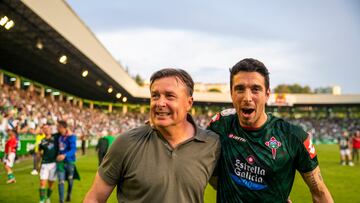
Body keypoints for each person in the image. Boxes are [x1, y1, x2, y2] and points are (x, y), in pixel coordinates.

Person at [84, 68, 220, 203]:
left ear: (189, 103)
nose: (160, 103)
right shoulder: (126, 142)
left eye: (169, 96)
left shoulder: (211, 144)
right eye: (155, 96)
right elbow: (94, 197)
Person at [207, 58, 333, 202]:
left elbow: (320, 193)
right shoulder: (220, 125)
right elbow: (211, 173)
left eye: (255, 89)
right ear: (231, 93)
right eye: (240, 89)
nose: (247, 98)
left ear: (267, 94)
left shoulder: (293, 137)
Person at [56, 120, 77, 203]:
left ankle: (69, 194)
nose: (57, 128)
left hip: (70, 162)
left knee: (70, 180)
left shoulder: (71, 137)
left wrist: (64, 155)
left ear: (63, 128)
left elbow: (73, 149)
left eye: (58, 127)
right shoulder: (59, 136)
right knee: (60, 181)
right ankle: (61, 200)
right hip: (60, 163)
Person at [38, 124, 58, 203]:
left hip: (54, 164)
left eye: (47, 128)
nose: (46, 130)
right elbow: (39, 151)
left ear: (50, 129)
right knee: (42, 182)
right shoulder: (42, 141)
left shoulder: (55, 138)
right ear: (43, 131)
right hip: (45, 164)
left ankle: (48, 197)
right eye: (44, 129)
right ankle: (42, 200)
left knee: (50, 184)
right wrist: (41, 158)